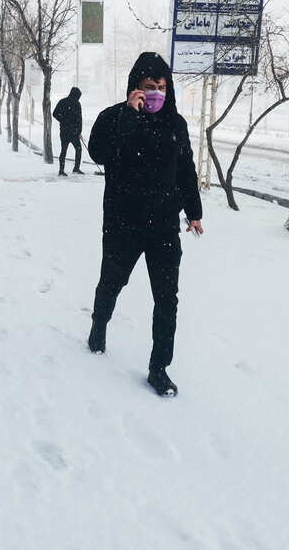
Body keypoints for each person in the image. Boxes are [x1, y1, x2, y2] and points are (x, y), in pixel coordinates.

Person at [85, 52, 204, 397]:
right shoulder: (114, 117)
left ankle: (159, 368)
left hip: (164, 226)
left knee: (167, 299)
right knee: (112, 282)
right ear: (134, 88)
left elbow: (186, 171)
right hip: (123, 222)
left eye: (161, 87)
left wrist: (193, 212)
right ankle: (98, 326)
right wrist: (128, 115)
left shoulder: (175, 124)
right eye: (149, 87)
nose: (155, 93)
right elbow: (98, 153)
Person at [53, 87, 84, 176]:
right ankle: (76, 168)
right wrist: (79, 132)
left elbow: (55, 114)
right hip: (74, 132)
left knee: (63, 150)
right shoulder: (77, 104)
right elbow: (79, 119)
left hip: (64, 131)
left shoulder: (62, 102)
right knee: (78, 149)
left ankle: (61, 170)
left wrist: (62, 120)